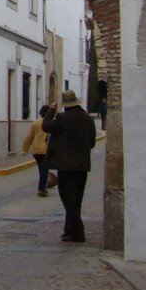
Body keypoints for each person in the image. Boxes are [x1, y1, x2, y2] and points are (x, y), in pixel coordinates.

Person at [42, 89, 97, 243]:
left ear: (65, 105)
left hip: (66, 166)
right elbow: (92, 142)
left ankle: (78, 233)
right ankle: (69, 231)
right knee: (77, 199)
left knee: (68, 200)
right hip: (82, 165)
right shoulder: (87, 119)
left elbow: (46, 126)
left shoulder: (62, 118)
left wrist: (51, 110)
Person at [21, 105, 51, 197]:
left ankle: (43, 186)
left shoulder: (36, 123)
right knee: (44, 170)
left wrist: (24, 149)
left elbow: (29, 137)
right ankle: (42, 189)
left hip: (36, 150)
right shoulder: (50, 123)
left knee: (42, 169)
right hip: (46, 150)